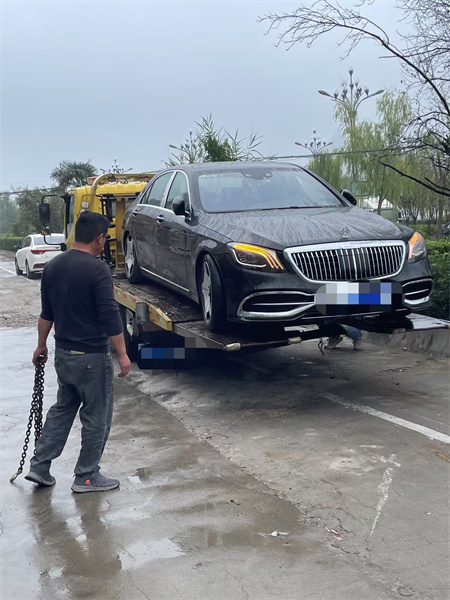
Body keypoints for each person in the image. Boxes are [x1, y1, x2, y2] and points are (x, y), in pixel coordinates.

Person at [25, 211, 131, 493]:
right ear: (100, 239)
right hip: (92, 358)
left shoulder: (53, 266)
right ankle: (86, 476)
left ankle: (39, 467)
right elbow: (109, 315)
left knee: (62, 410)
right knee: (97, 417)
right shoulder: (98, 269)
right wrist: (122, 353)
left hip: (64, 355)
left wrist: (41, 344)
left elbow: (46, 313)